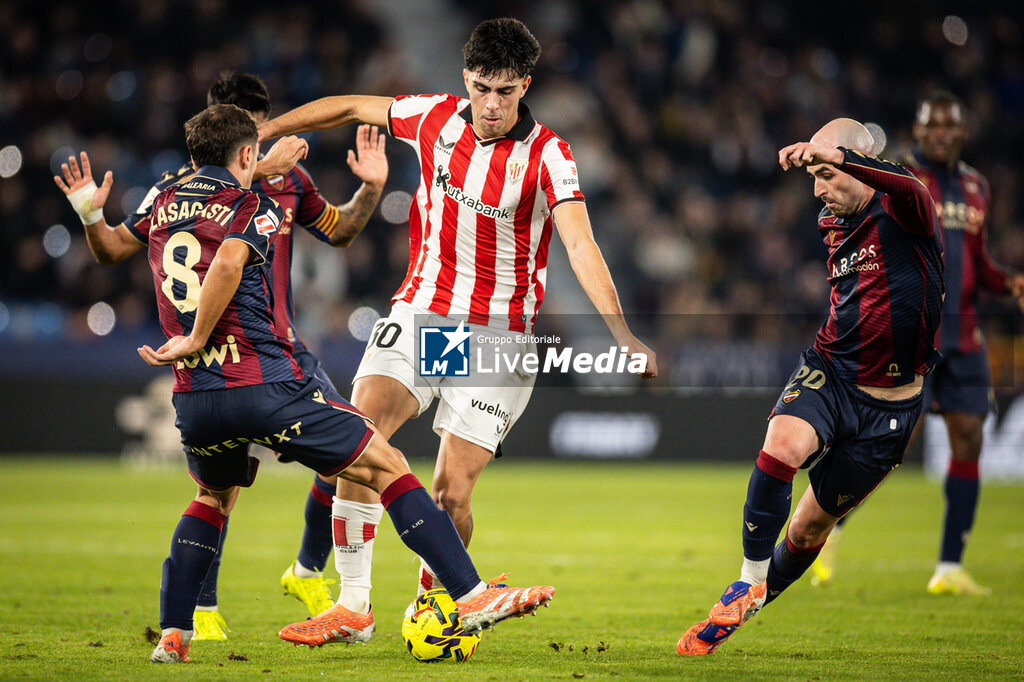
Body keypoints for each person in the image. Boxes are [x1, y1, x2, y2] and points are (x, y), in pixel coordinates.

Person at [257, 17, 657, 646]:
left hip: (499, 337)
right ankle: (352, 606)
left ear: (525, 84)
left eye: (504, 91)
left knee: (451, 492)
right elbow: (351, 105)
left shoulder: (550, 154)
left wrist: (622, 336)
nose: (491, 105)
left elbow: (579, 243)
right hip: (422, 312)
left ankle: (432, 606)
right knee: (359, 443)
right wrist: (271, 128)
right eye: (480, 88)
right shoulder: (435, 117)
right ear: (464, 79)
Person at [135, 102, 554, 664]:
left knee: (209, 498)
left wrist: (94, 213)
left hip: (194, 397)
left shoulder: (161, 201)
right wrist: (198, 331)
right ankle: (468, 596)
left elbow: (127, 235)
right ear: (245, 154)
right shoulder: (253, 205)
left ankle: (173, 635)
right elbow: (231, 260)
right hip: (266, 385)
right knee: (387, 464)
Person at [53, 71, 389, 639]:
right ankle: (203, 608)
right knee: (224, 489)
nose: (246, 136)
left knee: (352, 450)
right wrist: (265, 168)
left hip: (283, 350)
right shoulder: (183, 186)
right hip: (222, 356)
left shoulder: (287, 180)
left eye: (253, 124)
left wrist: (371, 189)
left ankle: (305, 568)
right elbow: (119, 245)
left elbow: (340, 231)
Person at [676, 118, 944, 656]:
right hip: (832, 370)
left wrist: (837, 156)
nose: (819, 190)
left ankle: (747, 603)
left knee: (805, 531)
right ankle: (748, 579)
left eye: (826, 174)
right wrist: (830, 163)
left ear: (857, 163)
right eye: (814, 178)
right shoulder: (832, 219)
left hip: (890, 409)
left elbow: (910, 185)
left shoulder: (905, 210)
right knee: (781, 447)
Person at [808, 92, 1024, 594]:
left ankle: (949, 567)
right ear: (919, 131)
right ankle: (829, 526)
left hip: (965, 335)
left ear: (962, 133)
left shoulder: (976, 188)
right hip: (909, 336)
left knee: (969, 439)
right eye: (933, 126)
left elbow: (975, 261)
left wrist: (1008, 283)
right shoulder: (896, 180)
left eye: (951, 126)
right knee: (890, 444)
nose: (942, 134)